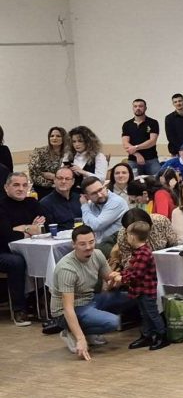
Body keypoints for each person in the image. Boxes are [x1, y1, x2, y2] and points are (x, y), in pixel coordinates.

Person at [50, 225, 132, 360]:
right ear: (73, 245)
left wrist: (119, 278)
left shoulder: (97, 254)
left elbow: (109, 278)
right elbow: (68, 308)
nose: (88, 247)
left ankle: (87, 328)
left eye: (91, 242)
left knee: (132, 296)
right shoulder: (67, 269)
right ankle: (73, 333)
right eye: (82, 244)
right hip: (70, 309)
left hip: (91, 298)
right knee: (113, 322)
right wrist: (81, 339)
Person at [119, 221, 169, 350]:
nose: (126, 237)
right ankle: (147, 335)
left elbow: (136, 274)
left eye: (127, 235)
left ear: (133, 237)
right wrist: (121, 274)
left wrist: (121, 278)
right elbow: (131, 269)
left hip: (146, 290)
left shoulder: (143, 253)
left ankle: (162, 335)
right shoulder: (138, 252)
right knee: (144, 313)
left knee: (152, 313)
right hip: (139, 290)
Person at [0, 173, 42, 325]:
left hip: (27, 248)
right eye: (16, 185)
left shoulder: (32, 203)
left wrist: (21, 229)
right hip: (3, 251)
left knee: (41, 257)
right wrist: (30, 228)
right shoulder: (1, 205)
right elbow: (7, 235)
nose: (21, 189)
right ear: (6, 187)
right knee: (16, 262)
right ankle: (20, 310)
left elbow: (45, 225)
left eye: (25, 185)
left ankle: (41, 303)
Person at [107, 207, 179, 273]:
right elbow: (128, 263)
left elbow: (174, 245)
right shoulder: (123, 235)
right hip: (142, 272)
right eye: (134, 233)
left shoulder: (161, 221)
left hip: (169, 264)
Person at [81, 176, 131, 253]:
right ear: (87, 197)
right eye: (94, 193)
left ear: (105, 187)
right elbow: (87, 225)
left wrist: (84, 205)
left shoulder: (116, 202)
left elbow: (95, 225)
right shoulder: (91, 205)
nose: (100, 195)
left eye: (100, 190)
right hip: (101, 245)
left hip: (117, 246)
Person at [121, 98, 161, 177]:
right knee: (133, 183)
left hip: (151, 159)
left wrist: (135, 147)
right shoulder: (127, 124)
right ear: (133, 108)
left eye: (140, 106)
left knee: (158, 181)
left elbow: (152, 141)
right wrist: (137, 155)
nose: (138, 108)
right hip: (133, 160)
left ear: (145, 108)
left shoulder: (153, 122)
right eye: (135, 106)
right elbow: (125, 143)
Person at [27, 126, 68, 198]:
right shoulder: (39, 152)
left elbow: (68, 173)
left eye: (58, 136)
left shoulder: (68, 154)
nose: (54, 138)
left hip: (63, 186)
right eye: (52, 136)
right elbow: (33, 173)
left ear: (64, 138)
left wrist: (54, 177)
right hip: (42, 188)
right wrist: (52, 183)